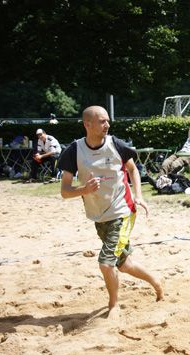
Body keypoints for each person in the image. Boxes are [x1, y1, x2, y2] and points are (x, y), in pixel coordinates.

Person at [58, 105, 163, 318]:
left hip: (123, 211)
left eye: (108, 120)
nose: (107, 124)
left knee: (106, 263)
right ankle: (156, 282)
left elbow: (133, 170)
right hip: (99, 215)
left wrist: (139, 196)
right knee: (123, 264)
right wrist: (84, 190)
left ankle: (114, 306)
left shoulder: (116, 144)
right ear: (88, 124)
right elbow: (64, 191)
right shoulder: (74, 150)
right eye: (102, 121)